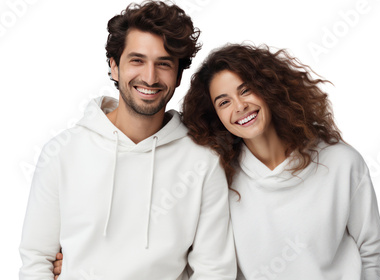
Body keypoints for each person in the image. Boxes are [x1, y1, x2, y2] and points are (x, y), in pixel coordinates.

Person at [19, 2, 236, 279]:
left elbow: (214, 270)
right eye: (137, 60)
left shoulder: (203, 161)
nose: (149, 77)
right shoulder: (62, 152)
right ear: (114, 67)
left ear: (179, 75)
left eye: (164, 64)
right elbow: (36, 259)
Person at [181, 44, 380, 279]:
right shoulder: (219, 179)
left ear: (268, 88)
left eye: (246, 90)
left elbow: (370, 250)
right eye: (224, 102)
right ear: (215, 116)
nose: (240, 106)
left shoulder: (342, 162)